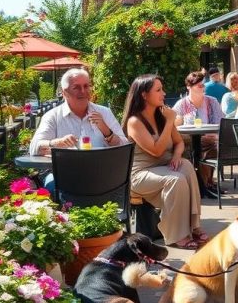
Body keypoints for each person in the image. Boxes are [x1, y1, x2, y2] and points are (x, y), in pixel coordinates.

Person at [123, 74, 207, 250]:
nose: (164, 93)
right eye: (158, 90)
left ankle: (194, 225)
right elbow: (156, 150)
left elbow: (179, 142)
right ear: (144, 95)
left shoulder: (162, 116)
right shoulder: (135, 121)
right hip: (141, 175)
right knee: (175, 180)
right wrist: (170, 120)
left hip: (165, 166)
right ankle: (176, 235)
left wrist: (177, 156)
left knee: (187, 166)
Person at [29, 68, 128, 156]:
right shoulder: (53, 116)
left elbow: (126, 147)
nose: (83, 91)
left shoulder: (104, 112)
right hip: (65, 172)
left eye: (86, 86)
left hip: (100, 170)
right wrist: (56, 143)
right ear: (64, 93)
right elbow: (33, 148)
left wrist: (107, 132)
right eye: (76, 87)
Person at [172, 70, 225, 187]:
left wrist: (214, 135)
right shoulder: (182, 104)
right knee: (197, 146)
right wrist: (177, 121)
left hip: (211, 138)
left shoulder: (212, 102)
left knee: (212, 146)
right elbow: (173, 125)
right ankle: (202, 184)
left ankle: (204, 184)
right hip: (189, 140)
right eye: (199, 85)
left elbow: (220, 123)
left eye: (203, 85)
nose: (202, 87)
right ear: (188, 87)